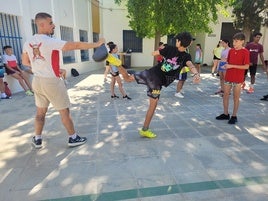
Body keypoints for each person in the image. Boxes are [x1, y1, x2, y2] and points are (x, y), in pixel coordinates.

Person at [21, 12, 105, 148]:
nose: (53, 25)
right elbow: (75, 46)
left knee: (40, 113)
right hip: (52, 82)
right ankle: (73, 138)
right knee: (64, 111)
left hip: (37, 81)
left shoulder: (28, 42)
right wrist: (96, 44)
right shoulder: (49, 41)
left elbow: (25, 62)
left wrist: (44, 67)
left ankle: (37, 139)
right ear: (41, 24)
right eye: (50, 23)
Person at [114, 32, 200, 138]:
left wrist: (161, 49)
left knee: (127, 78)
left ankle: (117, 64)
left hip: (150, 73)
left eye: (177, 40)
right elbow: (191, 65)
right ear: (188, 44)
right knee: (153, 106)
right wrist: (196, 73)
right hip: (156, 81)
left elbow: (153, 53)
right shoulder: (186, 56)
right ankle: (145, 129)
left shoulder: (169, 48)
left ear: (179, 42)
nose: (176, 41)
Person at [216, 32, 250, 124]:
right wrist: (224, 65)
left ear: (242, 41)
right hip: (228, 77)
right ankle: (226, 114)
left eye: (236, 41)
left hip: (238, 79)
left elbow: (246, 66)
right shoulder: (230, 51)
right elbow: (228, 62)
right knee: (225, 95)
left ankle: (234, 116)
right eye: (233, 41)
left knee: (236, 97)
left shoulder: (245, 52)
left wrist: (231, 66)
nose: (234, 43)